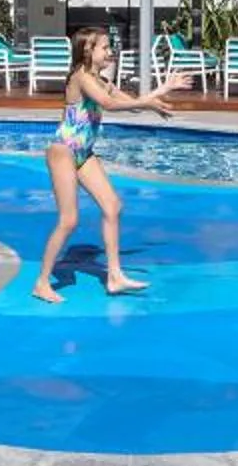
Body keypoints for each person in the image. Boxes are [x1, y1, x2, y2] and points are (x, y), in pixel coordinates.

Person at [35, 27, 176, 304]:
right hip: (63, 151)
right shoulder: (81, 77)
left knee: (112, 206)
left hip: (84, 153)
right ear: (88, 51)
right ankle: (41, 282)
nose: (110, 51)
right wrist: (149, 101)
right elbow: (108, 104)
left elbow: (131, 105)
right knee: (69, 220)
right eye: (105, 47)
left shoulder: (101, 81)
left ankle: (114, 276)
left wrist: (160, 93)